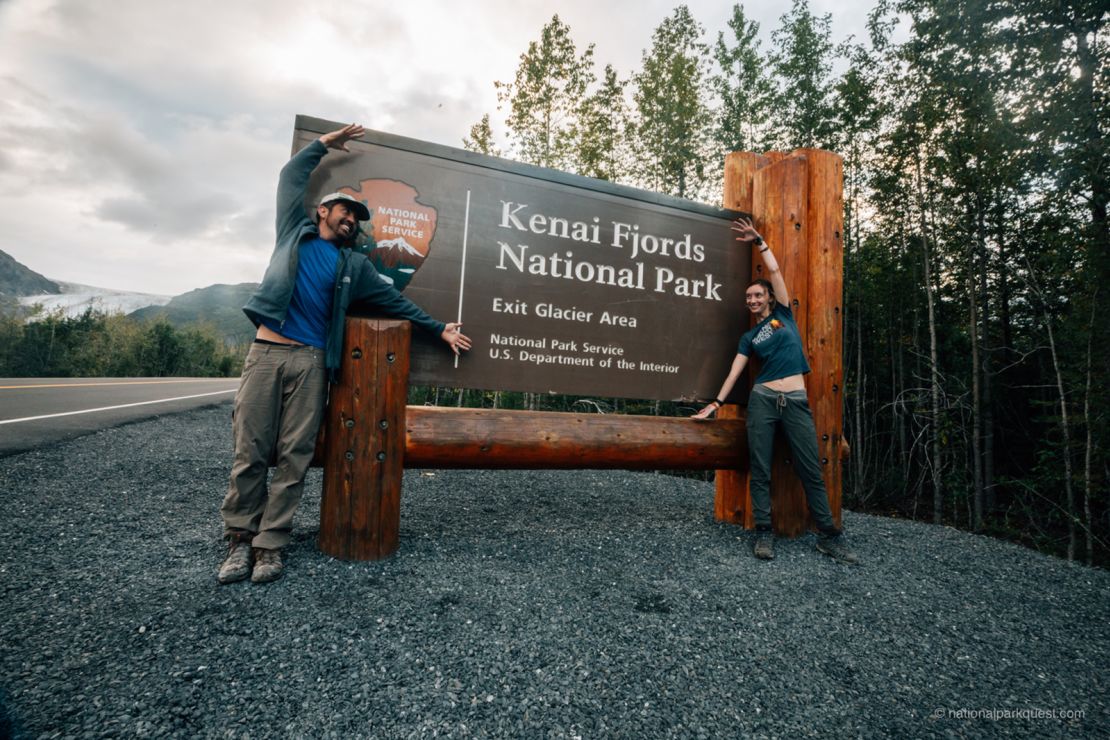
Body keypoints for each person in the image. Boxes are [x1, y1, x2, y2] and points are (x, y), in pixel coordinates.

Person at [218, 123, 472, 584]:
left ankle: (270, 545)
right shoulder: (293, 233)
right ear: (323, 210)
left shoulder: (355, 266)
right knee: (250, 452)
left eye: (356, 216)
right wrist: (321, 147)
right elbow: (289, 178)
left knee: (295, 457)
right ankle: (239, 542)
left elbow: (397, 303)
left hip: (313, 363)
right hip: (267, 354)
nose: (351, 219)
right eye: (345, 210)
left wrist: (439, 330)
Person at [693, 217, 858, 564]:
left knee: (810, 467)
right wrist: (716, 403)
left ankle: (830, 536)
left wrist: (760, 242)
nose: (752, 300)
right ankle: (763, 533)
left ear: (768, 297)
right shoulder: (750, 337)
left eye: (757, 295)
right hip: (763, 400)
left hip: (795, 400)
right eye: (748, 297)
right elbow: (736, 371)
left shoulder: (783, 315)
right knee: (761, 467)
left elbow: (777, 271)